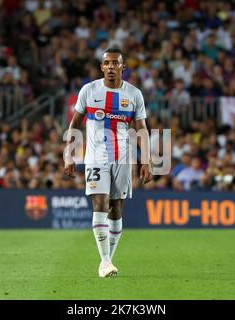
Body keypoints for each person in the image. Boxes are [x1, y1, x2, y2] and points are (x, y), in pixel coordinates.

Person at [64, 48, 152, 278]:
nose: (111, 66)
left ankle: (108, 260)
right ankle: (104, 262)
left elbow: (141, 129)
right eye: (107, 63)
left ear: (123, 67)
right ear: (101, 67)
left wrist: (147, 160)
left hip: (123, 158)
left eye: (115, 63)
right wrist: (69, 153)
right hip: (96, 157)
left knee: (116, 209)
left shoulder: (134, 94)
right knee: (100, 204)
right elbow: (75, 124)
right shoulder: (89, 90)